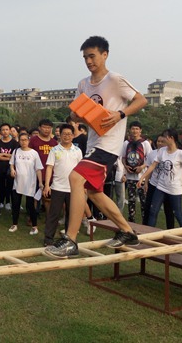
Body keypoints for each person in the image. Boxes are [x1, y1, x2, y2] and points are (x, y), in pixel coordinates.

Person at [45, 36, 147, 259]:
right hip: (93, 143)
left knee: (75, 178)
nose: (88, 61)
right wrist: (76, 115)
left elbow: (141, 100)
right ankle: (127, 232)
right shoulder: (83, 84)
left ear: (105, 54)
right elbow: (74, 113)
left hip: (108, 145)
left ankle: (70, 240)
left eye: (92, 56)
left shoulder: (115, 79)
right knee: (93, 192)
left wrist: (120, 114)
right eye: (85, 58)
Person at [141, 129, 182, 228]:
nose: (163, 139)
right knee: (153, 211)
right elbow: (152, 165)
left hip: (174, 189)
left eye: (165, 137)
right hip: (160, 187)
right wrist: (142, 178)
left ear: (171, 138)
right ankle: (148, 232)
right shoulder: (162, 151)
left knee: (177, 213)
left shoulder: (180, 153)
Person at [43, 124, 83, 245]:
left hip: (73, 189)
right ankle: (48, 239)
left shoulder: (77, 151)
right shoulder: (54, 150)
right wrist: (47, 185)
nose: (67, 136)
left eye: (69, 134)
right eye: (64, 134)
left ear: (73, 136)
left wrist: (83, 186)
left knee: (71, 215)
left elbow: (81, 170)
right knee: (54, 214)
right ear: (60, 135)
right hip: (57, 187)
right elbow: (49, 167)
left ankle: (69, 239)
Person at [9, 133, 43, 235]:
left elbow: (38, 169)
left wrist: (40, 182)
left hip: (30, 183)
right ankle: (14, 224)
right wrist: (12, 170)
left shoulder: (34, 153)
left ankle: (34, 226)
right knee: (16, 204)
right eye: (21, 140)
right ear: (19, 141)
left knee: (30, 206)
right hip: (17, 182)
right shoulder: (16, 151)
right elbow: (11, 163)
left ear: (28, 141)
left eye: (25, 140)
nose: (23, 142)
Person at [121, 121, 152, 223]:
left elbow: (150, 159)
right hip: (130, 177)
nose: (135, 131)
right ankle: (131, 221)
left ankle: (145, 221)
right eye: (133, 129)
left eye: (137, 129)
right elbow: (123, 157)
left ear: (140, 130)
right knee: (131, 200)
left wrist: (142, 166)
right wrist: (126, 166)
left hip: (142, 177)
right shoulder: (126, 143)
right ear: (130, 130)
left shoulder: (145, 143)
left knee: (144, 201)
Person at [0, 123, 19, 214]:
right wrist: (8, 157)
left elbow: (16, 156)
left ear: (9, 131)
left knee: (10, 186)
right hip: (0, 168)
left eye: (6, 129)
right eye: (3, 130)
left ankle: (9, 202)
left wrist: (4, 154)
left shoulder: (14, 143)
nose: (5, 131)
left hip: (11, 169)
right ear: (1, 131)